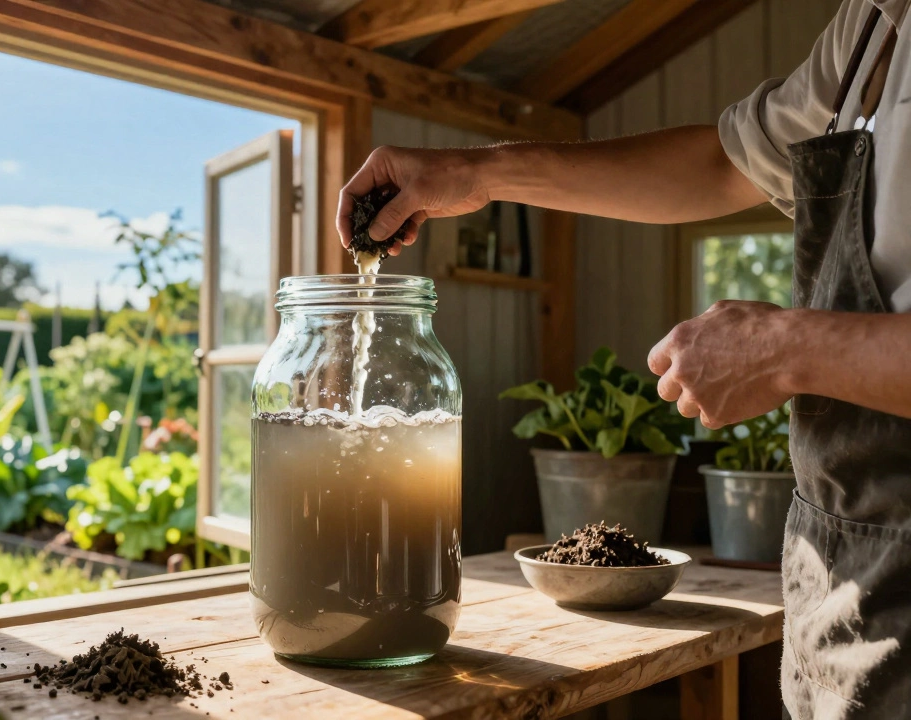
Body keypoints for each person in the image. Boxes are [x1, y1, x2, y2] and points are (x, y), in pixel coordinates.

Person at [336, 1, 911, 717]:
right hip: (841, 597)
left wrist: (788, 349)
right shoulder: (869, 26)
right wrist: (468, 175)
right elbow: (719, 163)